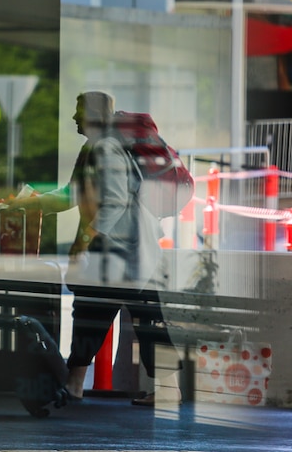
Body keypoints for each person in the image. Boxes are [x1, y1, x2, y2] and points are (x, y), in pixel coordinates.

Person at [14, 91, 178, 405]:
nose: (74, 118)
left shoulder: (106, 147)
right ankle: (76, 384)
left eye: (79, 111)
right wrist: (35, 204)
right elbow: (71, 194)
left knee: (130, 319)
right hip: (120, 254)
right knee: (98, 314)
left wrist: (84, 240)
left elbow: (114, 202)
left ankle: (165, 389)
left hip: (126, 253)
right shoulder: (94, 146)